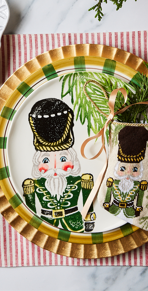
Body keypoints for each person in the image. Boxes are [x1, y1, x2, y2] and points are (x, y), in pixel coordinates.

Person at [22, 98, 96, 233]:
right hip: (46, 224)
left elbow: (88, 201)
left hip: (74, 223)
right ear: (36, 163)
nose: (54, 167)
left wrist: (89, 219)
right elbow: (30, 210)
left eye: (62, 158)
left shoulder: (81, 181)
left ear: (73, 161)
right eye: (46, 161)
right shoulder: (33, 185)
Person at [103, 126, 148, 222]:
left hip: (130, 211)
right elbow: (108, 192)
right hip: (113, 207)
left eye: (135, 169)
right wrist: (107, 202)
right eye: (123, 168)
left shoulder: (138, 185)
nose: (128, 172)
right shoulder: (113, 182)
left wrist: (138, 207)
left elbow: (140, 196)